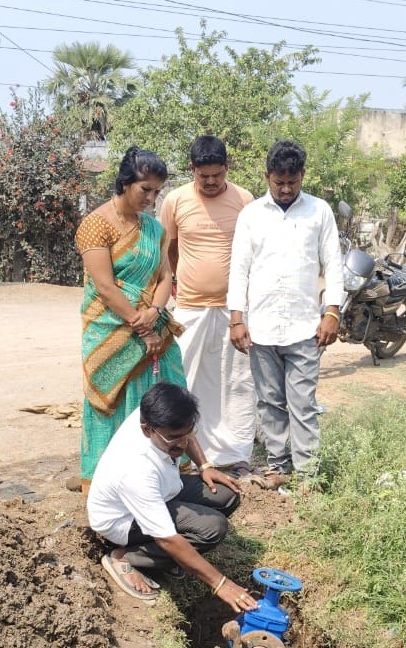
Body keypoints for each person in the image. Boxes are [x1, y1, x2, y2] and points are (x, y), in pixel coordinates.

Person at [227, 139, 343, 490]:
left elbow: (334, 265)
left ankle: (308, 474)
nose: (286, 189)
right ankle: (279, 465)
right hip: (261, 328)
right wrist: (236, 319)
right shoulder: (250, 215)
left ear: (302, 176)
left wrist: (332, 312)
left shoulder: (319, 211)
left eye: (293, 182)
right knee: (270, 402)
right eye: (279, 182)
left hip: (305, 327)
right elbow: (239, 270)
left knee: (303, 403)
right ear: (267, 177)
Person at [87, 381, 259, 614]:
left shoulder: (160, 415)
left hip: (163, 490)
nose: (183, 443)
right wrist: (221, 584)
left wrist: (205, 465)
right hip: (123, 521)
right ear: (147, 429)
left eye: (188, 434)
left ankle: (168, 559)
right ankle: (125, 557)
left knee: (227, 495)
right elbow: (167, 538)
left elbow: (183, 431)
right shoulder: (135, 468)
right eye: (174, 438)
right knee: (212, 528)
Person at [75, 146, 186, 496]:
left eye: (157, 191)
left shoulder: (154, 229)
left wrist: (154, 313)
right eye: (145, 190)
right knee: (114, 404)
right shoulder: (95, 225)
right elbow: (105, 286)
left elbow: (166, 276)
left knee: (166, 392)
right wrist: (143, 325)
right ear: (125, 183)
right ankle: (105, 480)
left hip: (152, 323)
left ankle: (162, 473)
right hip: (111, 330)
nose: (152, 198)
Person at [159, 136, 256, 473]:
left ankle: (233, 454)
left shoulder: (244, 200)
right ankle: (180, 454)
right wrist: (174, 283)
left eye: (217, 175)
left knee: (235, 383)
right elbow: (168, 250)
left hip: (235, 311)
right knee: (184, 378)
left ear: (227, 168)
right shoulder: (174, 201)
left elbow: (251, 254)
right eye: (204, 176)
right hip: (190, 307)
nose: (212, 182)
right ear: (192, 170)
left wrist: (240, 307)